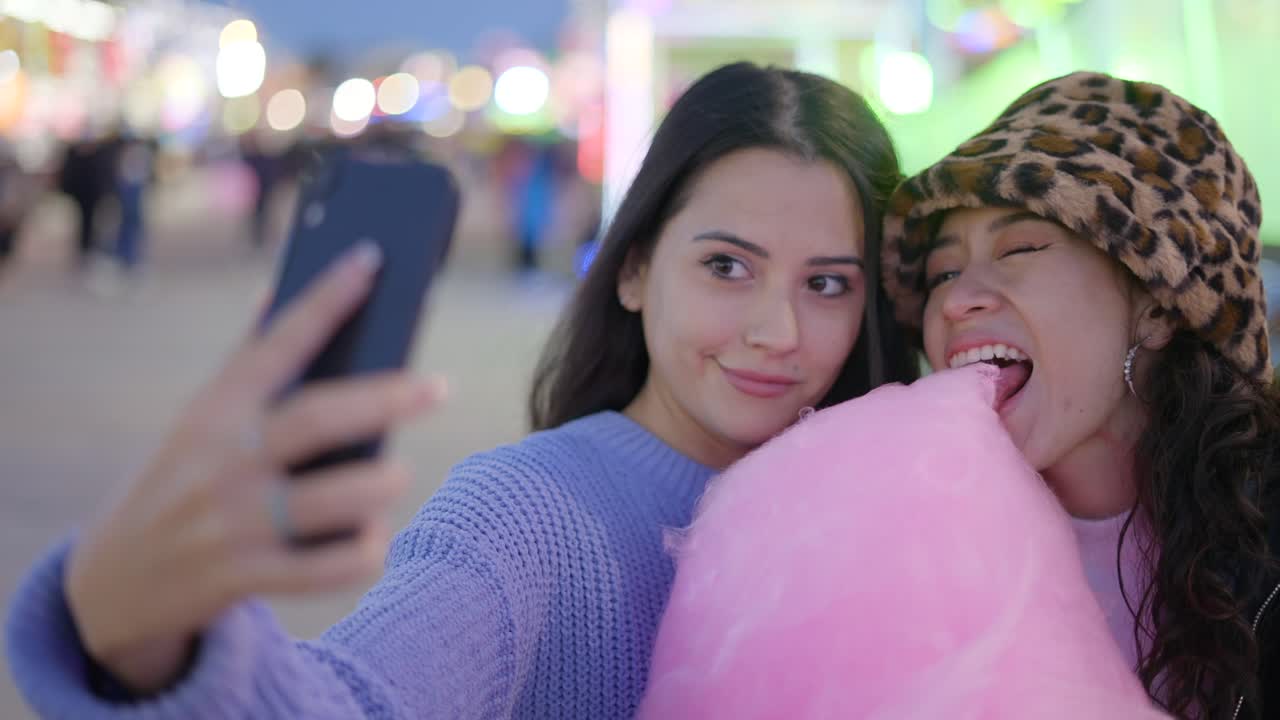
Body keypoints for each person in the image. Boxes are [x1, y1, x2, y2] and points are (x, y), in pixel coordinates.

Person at [5, 62, 917, 718]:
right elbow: (362, 698)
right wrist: (148, 637)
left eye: (827, 283)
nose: (778, 331)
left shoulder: (895, 506)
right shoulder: (524, 513)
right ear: (633, 269)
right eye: (727, 265)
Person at [881, 71, 1279, 719]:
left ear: (1155, 308)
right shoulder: (906, 540)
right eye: (942, 272)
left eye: (1021, 247)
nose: (955, 300)